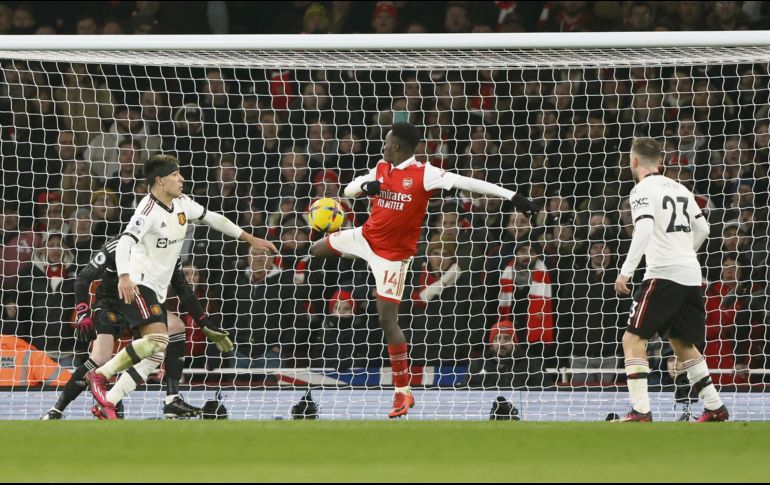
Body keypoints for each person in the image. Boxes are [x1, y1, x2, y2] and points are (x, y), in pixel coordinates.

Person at [309, 123, 537, 418]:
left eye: (386, 142)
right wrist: (367, 187)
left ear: (396, 146)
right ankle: (325, 312)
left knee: (386, 320)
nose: (383, 146)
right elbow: (349, 190)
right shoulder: (381, 167)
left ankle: (402, 393)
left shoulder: (425, 173)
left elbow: (467, 182)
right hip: (364, 238)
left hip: (392, 258)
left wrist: (513, 197)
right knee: (315, 250)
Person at [85, 154, 276, 419]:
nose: (181, 179)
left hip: (157, 288)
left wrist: (249, 237)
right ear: (160, 181)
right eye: (175, 175)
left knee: (157, 350)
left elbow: (214, 218)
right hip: (139, 284)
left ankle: (109, 403)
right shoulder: (147, 210)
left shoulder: (182, 203)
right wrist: (125, 276)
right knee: (158, 340)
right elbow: (127, 241)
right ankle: (100, 376)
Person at [43, 236, 233, 420]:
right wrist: (83, 313)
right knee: (100, 357)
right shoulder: (118, 244)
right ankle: (57, 409)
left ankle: (171, 400)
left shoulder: (168, 251)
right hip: (111, 303)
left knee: (174, 328)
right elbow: (83, 278)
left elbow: (184, 290)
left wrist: (206, 324)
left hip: (139, 303)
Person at [614, 137, 728, 423]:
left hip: (663, 272)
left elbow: (643, 229)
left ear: (635, 161)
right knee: (682, 343)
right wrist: (686, 252)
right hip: (691, 274)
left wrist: (627, 271)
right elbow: (703, 228)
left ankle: (640, 411)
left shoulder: (641, 190)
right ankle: (715, 407)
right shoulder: (681, 188)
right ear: (661, 162)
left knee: (633, 338)